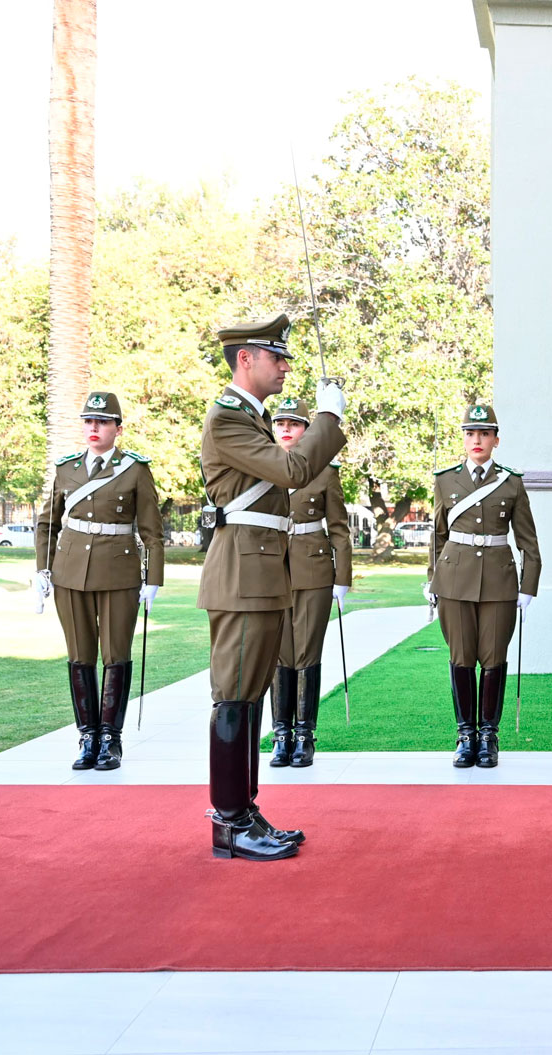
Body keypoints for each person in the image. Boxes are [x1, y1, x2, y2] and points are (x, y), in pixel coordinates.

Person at [198, 315, 346, 861]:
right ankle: (229, 821)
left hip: (261, 572)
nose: (284, 366)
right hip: (242, 574)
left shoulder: (252, 419)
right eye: (276, 357)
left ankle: (245, 809)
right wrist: (329, 417)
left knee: (250, 694)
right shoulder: (227, 418)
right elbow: (295, 471)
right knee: (235, 694)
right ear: (245, 359)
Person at [33, 391, 164, 771]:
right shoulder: (66, 469)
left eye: (103, 422)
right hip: (70, 572)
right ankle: (87, 736)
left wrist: (153, 578)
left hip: (119, 572)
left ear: (118, 429)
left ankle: (110, 738)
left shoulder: (135, 469)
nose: (94, 427)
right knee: (79, 655)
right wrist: (42, 569)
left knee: (116, 654)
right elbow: (47, 524)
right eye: (89, 421)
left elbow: (152, 531)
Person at [426, 404, 541, 768]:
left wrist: (528, 585)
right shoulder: (445, 481)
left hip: (498, 582)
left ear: (496, 440)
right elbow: (438, 536)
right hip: (454, 580)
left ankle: (489, 735)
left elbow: (528, 540)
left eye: (484, 433)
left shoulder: (512, 483)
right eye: (470, 433)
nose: (477, 440)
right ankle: (465, 735)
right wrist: (431, 578)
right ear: (463, 438)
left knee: (493, 658)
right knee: (461, 657)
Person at [269, 396, 352, 768]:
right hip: (272, 570)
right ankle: (280, 734)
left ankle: (304, 735)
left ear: (307, 430)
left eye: (294, 424)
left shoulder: (325, 471)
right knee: (278, 653)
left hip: (314, 569)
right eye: (281, 423)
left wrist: (342, 577)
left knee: (306, 653)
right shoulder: (262, 466)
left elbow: (339, 529)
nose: (286, 429)